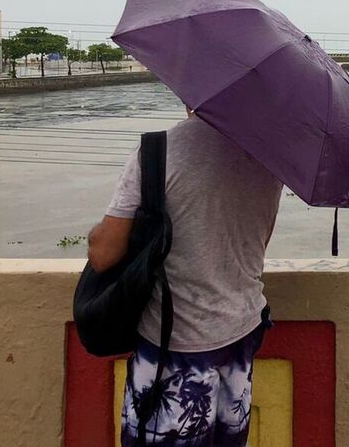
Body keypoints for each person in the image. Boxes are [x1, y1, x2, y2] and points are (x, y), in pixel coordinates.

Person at [87, 108, 283, 446]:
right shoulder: (271, 155)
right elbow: (257, 242)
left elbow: (104, 255)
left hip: (174, 340)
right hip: (242, 331)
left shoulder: (158, 151)